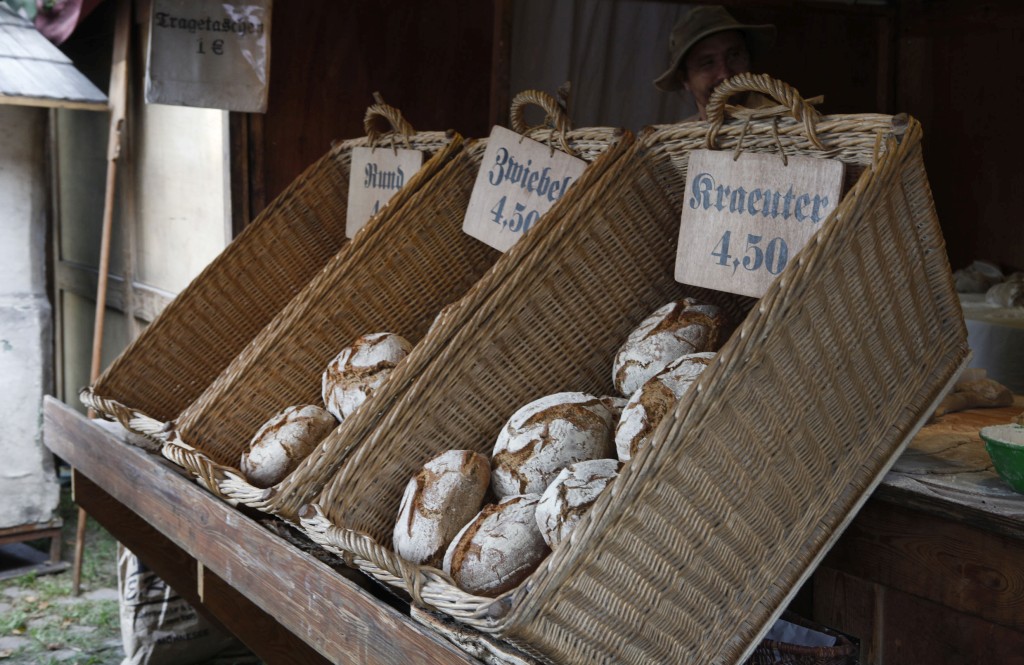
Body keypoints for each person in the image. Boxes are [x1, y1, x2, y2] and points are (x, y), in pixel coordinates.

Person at [653, 5, 776, 121]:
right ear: (684, 79)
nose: (725, 74)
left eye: (734, 55)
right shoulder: (678, 135)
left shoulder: (782, 127)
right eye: (707, 63)